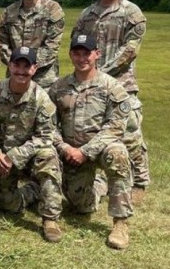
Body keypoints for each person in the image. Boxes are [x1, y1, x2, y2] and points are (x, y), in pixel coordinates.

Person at [72, 0, 149, 203]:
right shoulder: (87, 14)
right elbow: (76, 44)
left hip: (122, 83)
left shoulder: (132, 13)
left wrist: (101, 73)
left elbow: (130, 50)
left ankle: (139, 180)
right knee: (95, 130)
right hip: (92, 85)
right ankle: (100, 179)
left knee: (130, 132)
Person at [49, 34, 133, 250]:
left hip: (102, 148)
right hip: (71, 153)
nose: (82, 58)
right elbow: (48, 125)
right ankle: (100, 185)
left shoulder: (111, 87)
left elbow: (115, 127)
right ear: (70, 55)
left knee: (118, 155)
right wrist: (65, 148)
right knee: (81, 206)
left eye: (87, 53)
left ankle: (120, 223)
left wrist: (86, 151)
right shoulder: (59, 88)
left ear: (97, 54)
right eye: (77, 53)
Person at [0, 46, 63, 242]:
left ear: (34, 68)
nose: (21, 70)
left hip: (29, 157)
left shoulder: (42, 99)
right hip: (0, 158)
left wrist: (15, 156)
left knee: (48, 156)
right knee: (7, 205)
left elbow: (46, 136)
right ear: (9, 65)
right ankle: (33, 191)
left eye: (26, 66)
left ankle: (50, 219)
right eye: (16, 65)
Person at [0, 0, 65, 89]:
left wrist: (30, 66)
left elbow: (52, 45)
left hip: (44, 79)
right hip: (15, 77)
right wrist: (17, 66)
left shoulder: (53, 9)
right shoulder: (9, 12)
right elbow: (1, 43)